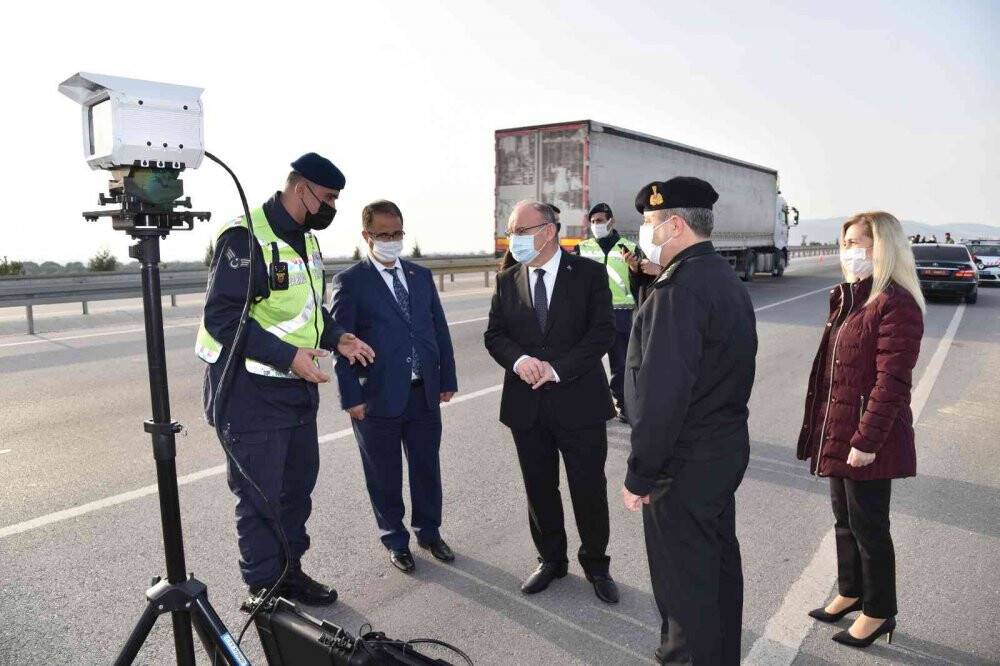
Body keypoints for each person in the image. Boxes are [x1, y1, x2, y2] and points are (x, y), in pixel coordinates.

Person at [196, 153, 374, 607]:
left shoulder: (306, 241)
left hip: (295, 390)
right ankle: (264, 589)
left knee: (296, 491)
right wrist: (289, 356)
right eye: (328, 197)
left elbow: (307, 312)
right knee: (260, 497)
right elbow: (222, 318)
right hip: (250, 391)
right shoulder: (245, 236)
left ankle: (290, 573)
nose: (332, 206)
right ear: (302, 190)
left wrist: (338, 339)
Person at [623, 177, 757, 665]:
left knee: (683, 588)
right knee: (716, 570)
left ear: (674, 225)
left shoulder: (679, 290)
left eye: (649, 224)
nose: (643, 233)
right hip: (720, 451)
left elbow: (663, 396)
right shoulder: (721, 277)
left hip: (682, 463)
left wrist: (640, 473)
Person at [797, 211, 924, 648]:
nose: (851, 251)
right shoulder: (850, 298)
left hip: (870, 438)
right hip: (839, 430)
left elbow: (891, 383)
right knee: (844, 520)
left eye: (861, 244)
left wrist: (866, 441)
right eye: (847, 241)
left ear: (885, 248)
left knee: (870, 527)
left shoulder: (896, 303)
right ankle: (850, 592)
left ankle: (878, 611)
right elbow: (832, 374)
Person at [484, 200, 619, 603]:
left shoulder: (590, 275)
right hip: (527, 407)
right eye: (511, 232)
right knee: (539, 488)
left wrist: (556, 368)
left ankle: (596, 565)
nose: (514, 240)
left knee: (588, 488)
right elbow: (495, 336)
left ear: (547, 231)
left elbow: (602, 334)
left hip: (579, 401)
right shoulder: (508, 280)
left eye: (520, 231)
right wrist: (522, 360)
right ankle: (551, 561)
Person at [332, 200, 458, 574]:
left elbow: (439, 329)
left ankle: (429, 532)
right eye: (383, 235)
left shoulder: (420, 275)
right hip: (376, 397)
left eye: (397, 234)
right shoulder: (351, 282)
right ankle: (395, 538)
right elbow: (343, 344)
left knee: (426, 468)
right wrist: (351, 397)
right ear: (367, 236)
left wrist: (446, 378)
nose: (391, 241)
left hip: (423, 394)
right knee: (383, 474)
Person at [574, 203, 638, 422]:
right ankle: (588, 405)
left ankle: (623, 405)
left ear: (611, 221)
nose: (596, 225)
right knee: (585, 361)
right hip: (590, 315)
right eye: (592, 222)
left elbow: (640, 282)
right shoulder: (583, 248)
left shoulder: (628, 248)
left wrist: (635, 268)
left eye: (600, 220)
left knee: (620, 364)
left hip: (620, 314)